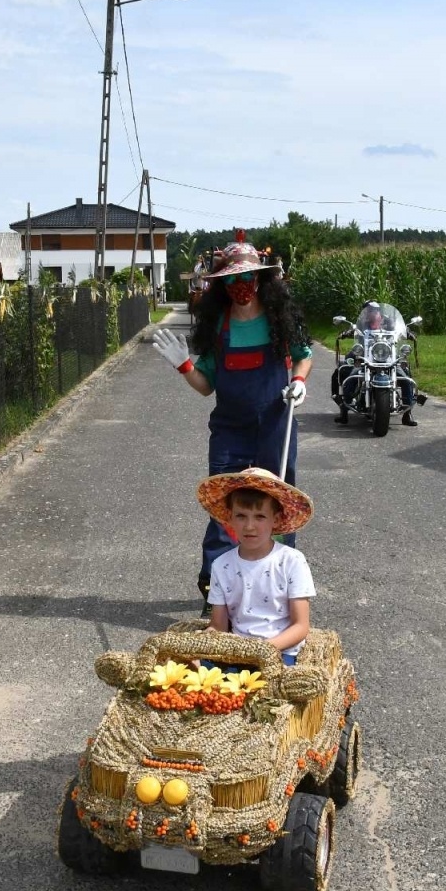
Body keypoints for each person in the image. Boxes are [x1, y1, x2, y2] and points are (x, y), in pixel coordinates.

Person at [152, 233, 313, 612]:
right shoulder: (217, 328)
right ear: (222, 285)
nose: (242, 286)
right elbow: (206, 387)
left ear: (262, 279)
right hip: (230, 431)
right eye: (233, 279)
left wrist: (299, 383)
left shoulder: (279, 322)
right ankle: (216, 593)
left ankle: (278, 591)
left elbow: (303, 357)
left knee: (275, 506)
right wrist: (184, 365)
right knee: (227, 508)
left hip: (276, 425)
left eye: (248, 278)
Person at [195, 466, 314, 665]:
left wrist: (262, 649)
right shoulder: (221, 565)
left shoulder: (291, 561)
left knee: (266, 691)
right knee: (185, 674)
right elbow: (219, 626)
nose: (249, 526)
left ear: (275, 520)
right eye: (241, 516)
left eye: (260, 516)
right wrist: (201, 644)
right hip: (236, 651)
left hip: (278, 651)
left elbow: (300, 626)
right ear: (230, 519)